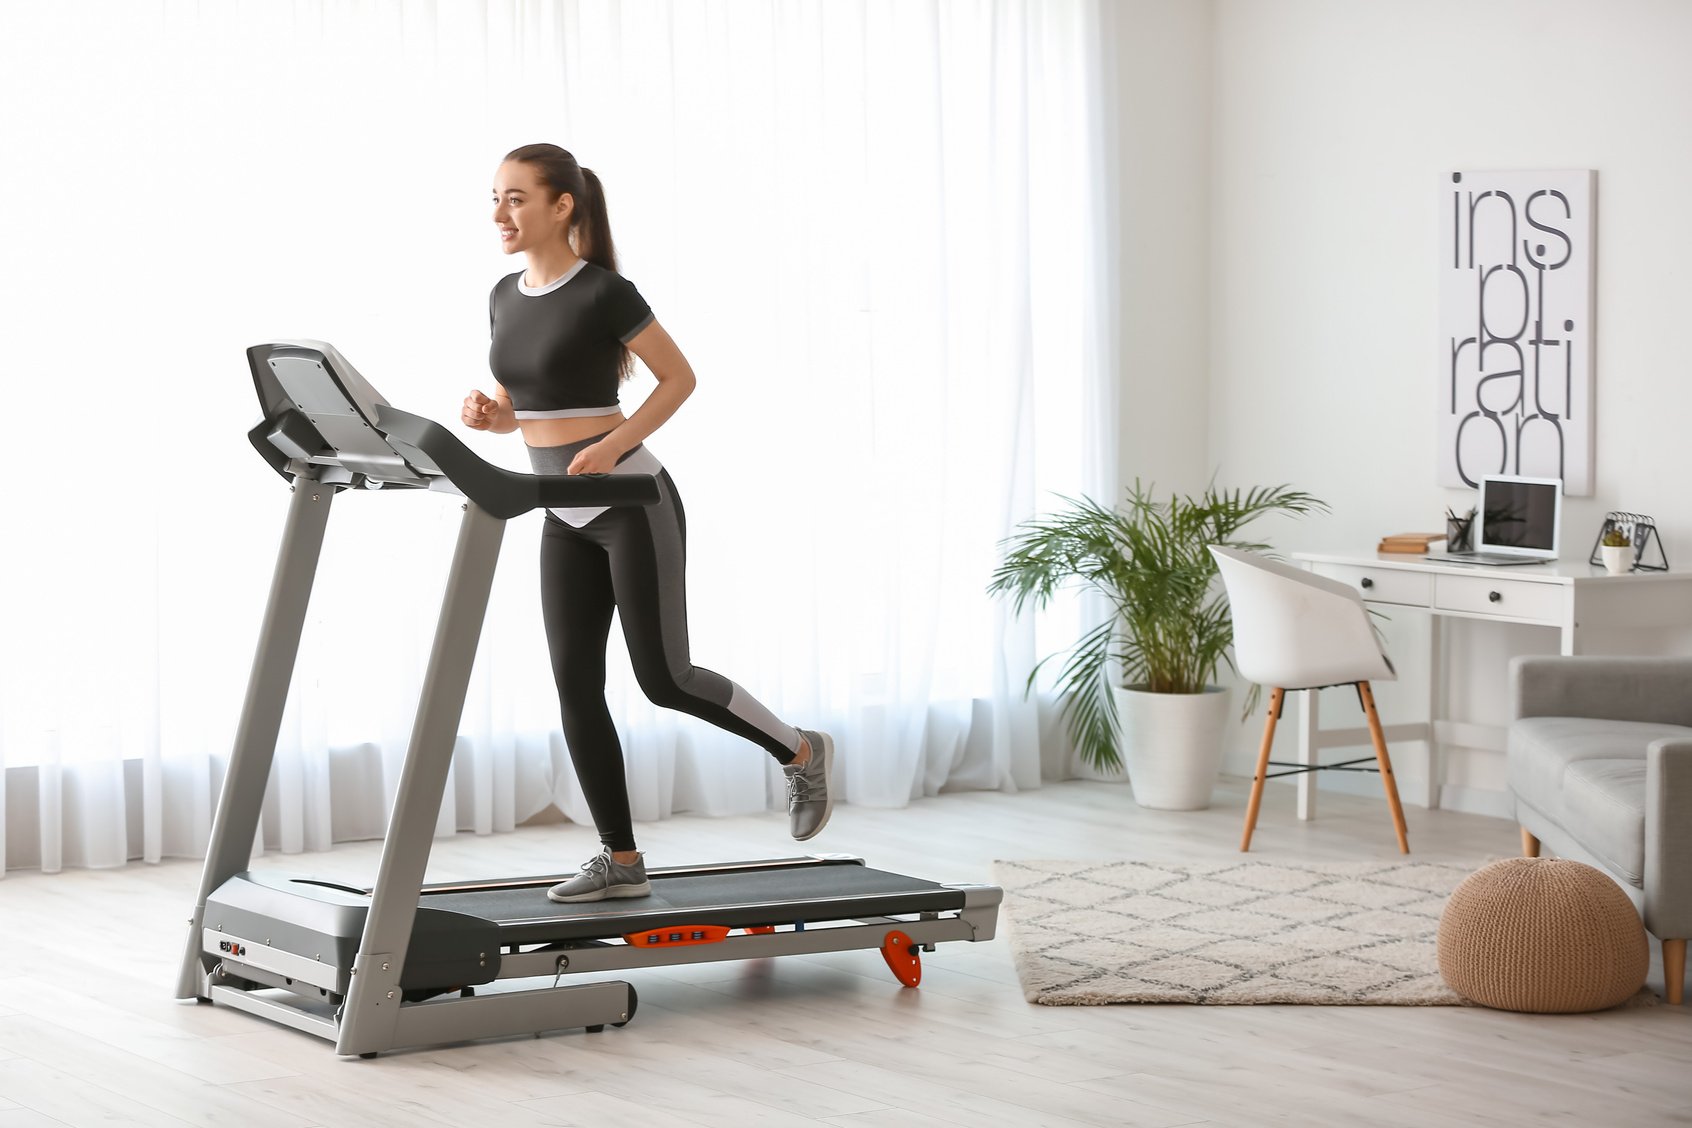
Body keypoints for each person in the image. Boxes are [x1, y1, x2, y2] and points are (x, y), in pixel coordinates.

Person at [463, 143, 834, 904]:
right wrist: (489, 415)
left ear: (562, 205)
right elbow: (522, 410)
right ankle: (621, 859)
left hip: (632, 502)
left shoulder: (605, 292)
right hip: (558, 512)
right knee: (575, 685)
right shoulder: (503, 295)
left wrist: (613, 442)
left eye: (516, 198)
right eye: (495, 199)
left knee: (665, 678)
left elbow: (679, 377)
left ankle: (799, 751)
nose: (500, 213)